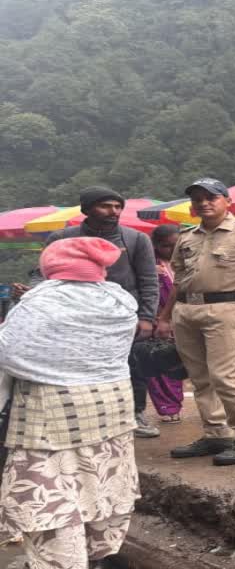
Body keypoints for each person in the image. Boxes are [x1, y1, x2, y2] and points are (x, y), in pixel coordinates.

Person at [0, 238, 140, 569]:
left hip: (54, 409)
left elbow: (11, 354)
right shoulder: (118, 299)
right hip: (112, 401)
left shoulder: (41, 301)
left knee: (49, 490)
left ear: (52, 265)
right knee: (100, 479)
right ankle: (94, 555)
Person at [156, 179, 235, 466]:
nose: (204, 203)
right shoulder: (186, 237)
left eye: (211, 197)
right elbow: (179, 282)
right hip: (186, 309)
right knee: (199, 377)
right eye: (198, 199)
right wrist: (165, 316)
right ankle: (217, 432)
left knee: (224, 374)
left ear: (226, 201)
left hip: (225, 307)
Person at [31, 186, 160, 439]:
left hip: (123, 317)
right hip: (74, 316)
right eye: (105, 206)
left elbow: (148, 281)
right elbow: (42, 274)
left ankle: (135, 413)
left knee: (131, 366)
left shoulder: (136, 239)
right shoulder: (61, 238)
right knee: (79, 365)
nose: (114, 211)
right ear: (86, 209)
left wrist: (146, 318)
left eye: (117, 206)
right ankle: (82, 416)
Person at [146, 224, 185, 423]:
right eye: (166, 246)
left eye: (176, 245)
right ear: (156, 246)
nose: (172, 250)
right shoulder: (149, 266)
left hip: (186, 319)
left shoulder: (188, 261)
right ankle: (168, 407)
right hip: (158, 321)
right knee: (162, 365)